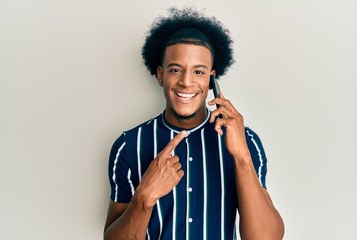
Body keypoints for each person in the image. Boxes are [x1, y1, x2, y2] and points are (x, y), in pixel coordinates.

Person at [104, 7, 284, 240]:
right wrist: (145, 197)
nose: (186, 82)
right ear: (160, 75)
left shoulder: (246, 141)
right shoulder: (128, 146)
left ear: (211, 79)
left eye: (198, 71)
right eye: (176, 69)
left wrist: (241, 157)